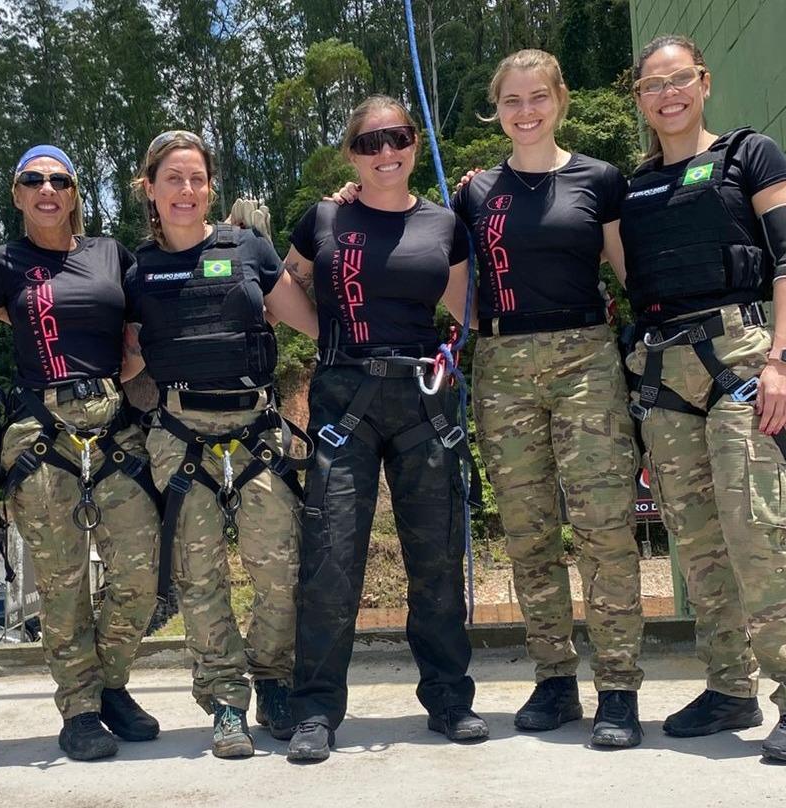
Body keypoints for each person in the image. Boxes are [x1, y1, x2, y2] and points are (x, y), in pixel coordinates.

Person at [622, 34, 786, 763]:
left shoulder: (750, 155)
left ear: (703, 83)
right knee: (698, 543)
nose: (668, 94)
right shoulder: (634, 184)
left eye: (680, 80)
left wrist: (783, 361)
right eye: (653, 85)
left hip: (741, 359)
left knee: (757, 533)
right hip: (665, 373)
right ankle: (729, 686)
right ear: (638, 97)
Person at [451, 50, 645, 747]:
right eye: (511, 100)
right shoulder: (476, 193)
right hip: (502, 364)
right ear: (495, 109)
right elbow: (445, 270)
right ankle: (555, 677)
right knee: (529, 531)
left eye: (537, 97)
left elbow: (628, 276)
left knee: (603, 526)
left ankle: (617, 686)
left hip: (586, 359)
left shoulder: (600, 179)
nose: (525, 111)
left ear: (560, 99)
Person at [0, 145, 162, 761]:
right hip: (40, 432)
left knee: (140, 574)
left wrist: (135, 363)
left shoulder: (110, 256)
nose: (47, 190)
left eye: (59, 180)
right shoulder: (1, 265)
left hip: (113, 427)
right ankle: (80, 709)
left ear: (75, 193)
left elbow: (147, 319)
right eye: (33, 180)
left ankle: (110, 683)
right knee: (63, 584)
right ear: (16, 194)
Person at [284, 95, 480, 763]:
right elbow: (284, 284)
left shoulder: (444, 225)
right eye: (369, 143)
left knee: (437, 559)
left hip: (424, 399)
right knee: (331, 557)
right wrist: (325, 334)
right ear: (350, 154)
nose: (384, 152)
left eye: (395, 137)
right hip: (346, 397)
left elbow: (469, 308)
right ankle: (315, 710)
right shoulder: (325, 218)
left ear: (415, 143)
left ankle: (450, 698)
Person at [126, 129, 318, 758]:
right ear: (149, 190)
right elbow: (124, 361)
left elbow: (310, 320)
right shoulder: (135, 271)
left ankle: (274, 681)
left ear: (211, 186)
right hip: (181, 437)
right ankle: (227, 701)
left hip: (256, 431)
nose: (186, 190)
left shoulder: (248, 250)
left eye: (196, 178)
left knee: (279, 570)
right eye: (172, 178)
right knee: (198, 578)